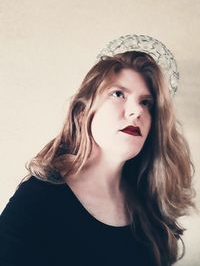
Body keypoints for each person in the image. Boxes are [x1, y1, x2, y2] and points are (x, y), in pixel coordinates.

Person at [0, 34, 195, 266]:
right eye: (118, 94)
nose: (136, 111)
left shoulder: (150, 205)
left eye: (146, 103)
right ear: (83, 112)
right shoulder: (39, 198)